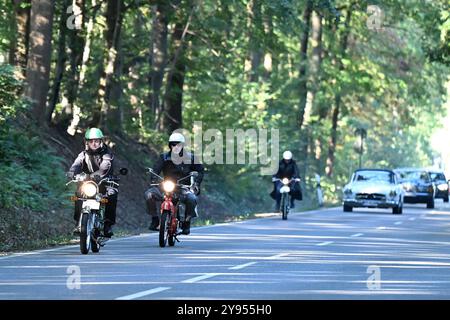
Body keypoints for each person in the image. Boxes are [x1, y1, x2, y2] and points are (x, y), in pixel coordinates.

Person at [144, 132, 204, 235]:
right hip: (166, 187)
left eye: (178, 144)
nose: (175, 147)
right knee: (149, 194)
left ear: (182, 145)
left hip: (183, 188)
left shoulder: (190, 157)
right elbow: (155, 170)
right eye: (173, 144)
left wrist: (196, 184)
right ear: (170, 145)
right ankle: (155, 219)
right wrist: (153, 179)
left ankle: (186, 222)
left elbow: (200, 171)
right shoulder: (164, 157)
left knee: (192, 199)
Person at [67, 128, 117, 237]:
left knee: (111, 195)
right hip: (88, 183)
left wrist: (97, 175)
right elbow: (76, 164)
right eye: (91, 141)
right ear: (87, 142)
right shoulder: (83, 154)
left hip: (105, 181)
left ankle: (108, 225)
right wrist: (72, 172)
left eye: (96, 141)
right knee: (78, 196)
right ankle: (79, 222)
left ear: (101, 141)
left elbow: (105, 166)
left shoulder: (107, 153)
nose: (94, 144)